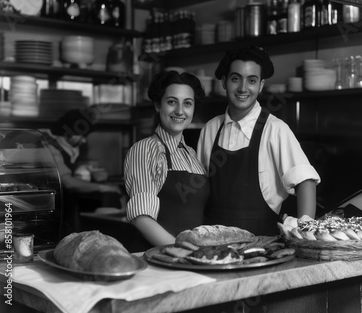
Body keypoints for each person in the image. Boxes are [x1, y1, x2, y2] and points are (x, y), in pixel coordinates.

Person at [197, 45, 321, 236]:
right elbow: (200, 188)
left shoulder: (275, 129)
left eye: (252, 80)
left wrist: (305, 235)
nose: (243, 88)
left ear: (261, 85)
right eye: (235, 79)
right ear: (224, 82)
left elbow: (306, 182)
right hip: (215, 245)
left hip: (264, 247)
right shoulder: (210, 129)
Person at [124, 71, 209, 247]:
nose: (179, 111)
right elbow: (142, 217)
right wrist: (184, 252)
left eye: (187, 103)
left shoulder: (192, 154)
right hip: (158, 258)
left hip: (190, 260)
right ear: (157, 105)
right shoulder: (146, 149)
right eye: (171, 102)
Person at [43, 108, 123, 233]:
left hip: (64, 209)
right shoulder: (50, 149)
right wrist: (104, 187)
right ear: (68, 134)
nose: (84, 140)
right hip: (49, 210)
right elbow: (69, 183)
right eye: (82, 136)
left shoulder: (71, 148)